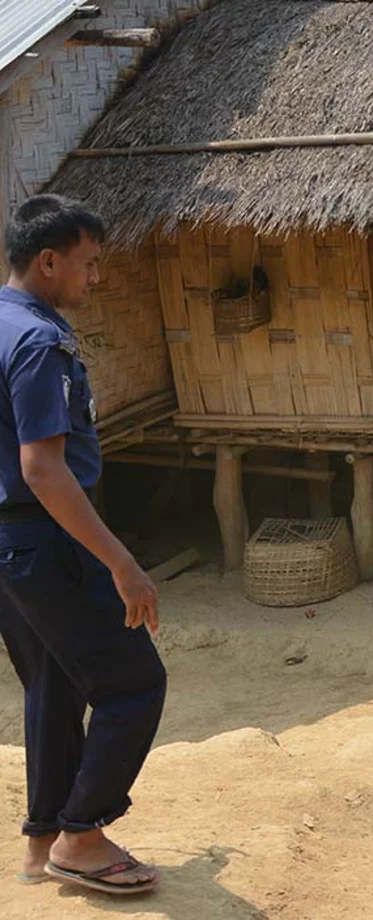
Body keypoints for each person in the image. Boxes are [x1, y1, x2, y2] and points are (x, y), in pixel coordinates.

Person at [0, 195, 166, 896]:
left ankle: (44, 843)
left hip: (9, 543)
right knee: (134, 684)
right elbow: (44, 467)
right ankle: (84, 836)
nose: (95, 279)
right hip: (43, 536)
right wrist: (121, 563)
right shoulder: (40, 341)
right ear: (49, 261)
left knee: (56, 681)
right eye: (89, 264)